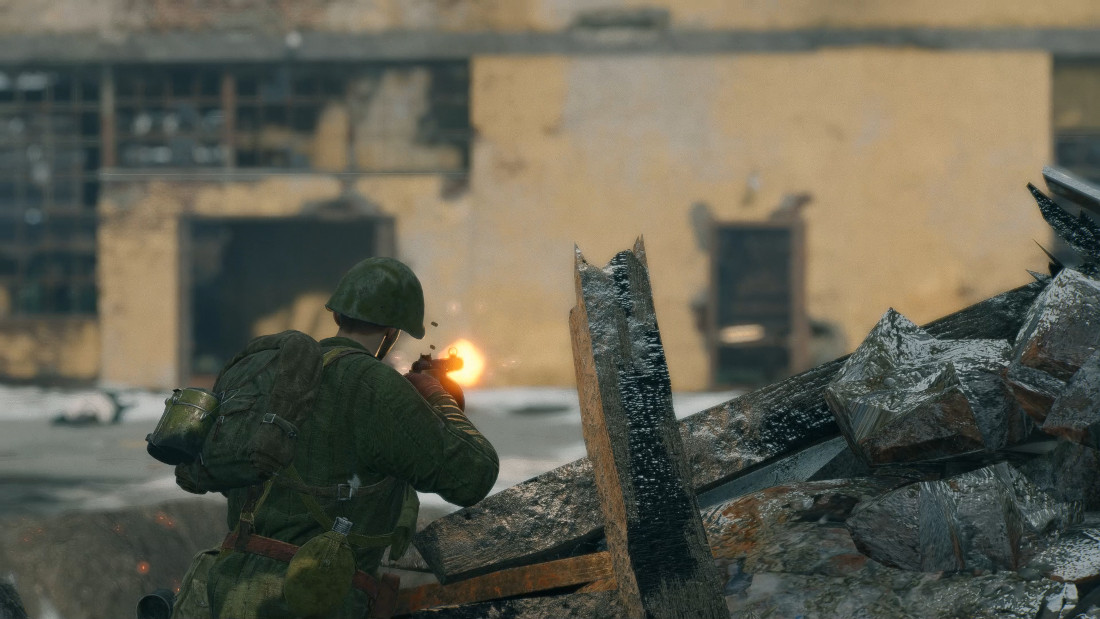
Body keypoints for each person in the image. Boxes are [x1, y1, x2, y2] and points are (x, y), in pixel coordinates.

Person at [199, 257, 499, 619]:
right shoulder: (372, 384)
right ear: (392, 330)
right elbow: (474, 475)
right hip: (313, 599)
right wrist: (436, 395)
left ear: (339, 315)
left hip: (224, 585)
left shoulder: (273, 368)